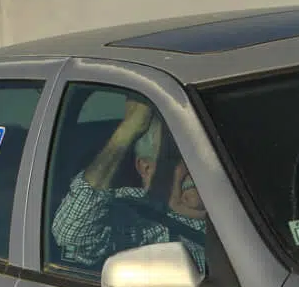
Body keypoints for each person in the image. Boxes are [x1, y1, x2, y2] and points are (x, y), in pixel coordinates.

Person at [50, 98, 208, 271]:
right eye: (177, 157)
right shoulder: (133, 214)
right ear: (146, 168)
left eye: (200, 154)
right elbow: (73, 236)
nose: (194, 166)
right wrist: (128, 130)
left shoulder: (238, 189)